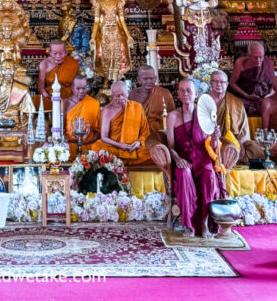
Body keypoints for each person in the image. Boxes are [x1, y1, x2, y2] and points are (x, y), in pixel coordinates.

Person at [166, 78, 224, 238]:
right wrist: (177, 159)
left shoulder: (204, 113)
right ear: (177, 94)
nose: (185, 94)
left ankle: (204, 224)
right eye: (182, 90)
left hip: (202, 159)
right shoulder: (172, 116)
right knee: (184, 174)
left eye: (189, 90)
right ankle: (189, 226)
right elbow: (170, 147)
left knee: (209, 176)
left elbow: (212, 145)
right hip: (183, 160)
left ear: (196, 94)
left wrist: (214, 138)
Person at [100, 81, 171, 192]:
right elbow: (104, 137)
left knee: (156, 154)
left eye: (123, 94)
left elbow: (145, 132)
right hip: (116, 147)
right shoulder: (107, 110)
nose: (120, 98)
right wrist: (121, 145)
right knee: (102, 153)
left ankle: (161, 188)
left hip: (135, 147)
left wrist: (138, 142)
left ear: (128, 93)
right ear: (112, 96)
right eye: (117, 95)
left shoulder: (137, 107)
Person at [207, 68, 262, 166]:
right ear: (210, 83)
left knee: (256, 149)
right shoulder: (203, 101)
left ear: (227, 85)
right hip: (209, 141)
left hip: (231, 141)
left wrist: (240, 142)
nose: (219, 84)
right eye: (215, 81)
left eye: (222, 82)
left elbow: (243, 129)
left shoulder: (236, 102)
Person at [128, 64, 175, 149]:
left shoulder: (165, 94)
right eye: (145, 79)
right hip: (138, 135)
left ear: (156, 78)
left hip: (158, 136)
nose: (149, 81)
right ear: (139, 80)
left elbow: (173, 116)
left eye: (151, 78)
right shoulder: (131, 96)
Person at [229, 40, 277, 117]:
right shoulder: (240, 63)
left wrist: (268, 95)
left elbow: (273, 84)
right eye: (255, 57)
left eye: (261, 57)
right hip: (244, 96)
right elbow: (232, 83)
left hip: (263, 97)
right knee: (236, 105)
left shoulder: (268, 63)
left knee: (273, 105)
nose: (258, 61)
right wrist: (246, 95)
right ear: (249, 55)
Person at [63, 75, 101, 156]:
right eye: (78, 88)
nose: (81, 91)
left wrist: (91, 140)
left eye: (84, 88)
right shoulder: (65, 103)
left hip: (89, 144)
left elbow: (98, 131)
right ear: (72, 87)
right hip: (70, 144)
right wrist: (67, 139)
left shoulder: (94, 103)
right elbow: (60, 130)